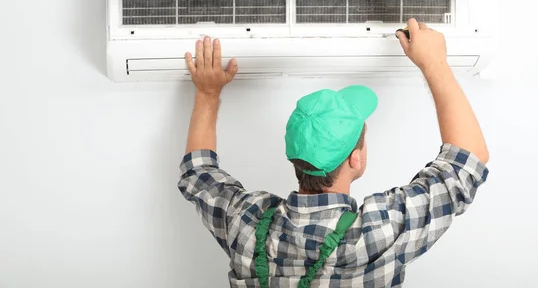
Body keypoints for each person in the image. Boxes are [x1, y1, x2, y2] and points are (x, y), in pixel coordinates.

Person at [178, 18, 490, 287]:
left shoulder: (245, 221)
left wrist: (207, 92)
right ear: (356, 158)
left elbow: (198, 173)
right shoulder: (377, 233)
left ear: (295, 157)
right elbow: (467, 164)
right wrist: (434, 62)